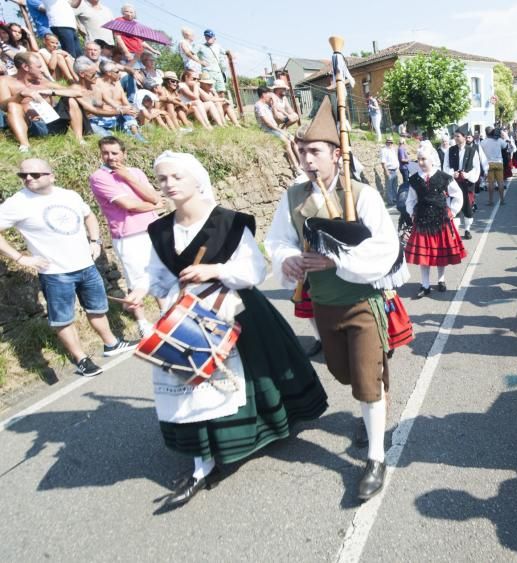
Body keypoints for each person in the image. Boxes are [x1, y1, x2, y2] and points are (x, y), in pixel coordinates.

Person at [121, 151, 328, 509]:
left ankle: (251, 433)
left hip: (234, 309)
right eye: (163, 179)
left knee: (244, 379)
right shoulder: (159, 229)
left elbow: (253, 270)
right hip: (185, 313)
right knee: (190, 380)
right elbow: (155, 274)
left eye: (176, 177)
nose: (168, 185)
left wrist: (214, 270)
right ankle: (202, 459)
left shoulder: (230, 222)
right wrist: (141, 289)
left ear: (196, 180)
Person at [265, 97, 401, 501]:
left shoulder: (362, 195)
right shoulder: (293, 197)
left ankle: (375, 457)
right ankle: (371, 399)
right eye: (303, 151)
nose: (307, 159)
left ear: (336, 154)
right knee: (343, 374)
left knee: (365, 379)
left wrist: (335, 261)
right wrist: (289, 259)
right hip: (324, 307)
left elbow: (386, 249)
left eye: (315, 151)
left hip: (362, 303)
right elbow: (278, 240)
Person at [0, 158, 138, 377]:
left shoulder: (68, 195)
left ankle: (111, 343)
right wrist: (19, 258)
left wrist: (95, 241)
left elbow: (89, 215)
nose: (28, 178)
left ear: (50, 176)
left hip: (85, 264)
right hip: (55, 272)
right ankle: (81, 358)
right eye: (23, 175)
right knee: (63, 318)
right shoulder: (17, 203)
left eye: (35, 175)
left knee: (97, 307)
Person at [88, 136, 163, 337]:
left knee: (160, 274)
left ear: (124, 153)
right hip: (128, 235)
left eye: (115, 153)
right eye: (106, 153)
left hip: (153, 229)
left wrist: (129, 178)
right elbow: (128, 205)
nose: (110, 157)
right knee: (135, 281)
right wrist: (154, 205)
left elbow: (154, 196)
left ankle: (166, 315)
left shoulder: (136, 172)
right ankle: (143, 323)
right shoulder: (99, 177)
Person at [404, 142, 467, 298]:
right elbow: (410, 200)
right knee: (424, 257)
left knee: (440, 254)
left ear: (431, 159)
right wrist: (412, 213)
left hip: (441, 220)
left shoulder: (444, 177)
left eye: (423, 159)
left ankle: (441, 280)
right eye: (418, 159)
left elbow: (457, 195)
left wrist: (451, 211)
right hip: (422, 221)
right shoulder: (414, 180)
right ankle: (425, 285)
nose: (420, 162)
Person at [0, 52, 84, 151]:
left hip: (52, 123)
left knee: (70, 99)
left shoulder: (43, 82)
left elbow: (77, 92)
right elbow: (3, 106)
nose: (43, 70)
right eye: (39, 67)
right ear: (26, 67)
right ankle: (25, 146)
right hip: (30, 125)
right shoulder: (5, 81)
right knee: (12, 105)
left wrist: (50, 92)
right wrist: (21, 95)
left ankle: (79, 140)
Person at [443, 127, 481, 240]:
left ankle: (467, 229)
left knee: (468, 206)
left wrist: (468, 175)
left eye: (457, 136)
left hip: (467, 183)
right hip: (454, 183)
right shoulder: (450, 150)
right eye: (454, 136)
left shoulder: (472, 150)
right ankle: (454, 231)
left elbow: (476, 167)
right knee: (454, 206)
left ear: (464, 137)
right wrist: (451, 173)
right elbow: (445, 166)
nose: (455, 138)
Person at [254, 85, 299, 172]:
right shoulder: (259, 106)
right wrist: (279, 130)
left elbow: (277, 108)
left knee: (293, 139)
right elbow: (266, 122)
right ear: (264, 95)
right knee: (287, 141)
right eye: (269, 95)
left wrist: (275, 104)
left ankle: (301, 163)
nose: (271, 97)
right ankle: (295, 167)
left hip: (274, 128)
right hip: (267, 130)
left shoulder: (267, 105)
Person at [480, 126, 508, 205]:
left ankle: (490, 201)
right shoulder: (499, 140)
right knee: (500, 182)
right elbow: (506, 146)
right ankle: (502, 200)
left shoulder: (483, 142)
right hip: (499, 163)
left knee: (491, 183)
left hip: (488, 164)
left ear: (486, 133)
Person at [196, 30, 228, 96]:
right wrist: (200, 62)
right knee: (210, 91)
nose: (208, 38)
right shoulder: (200, 46)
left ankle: (221, 105)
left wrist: (230, 52)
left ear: (214, 38)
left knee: (221, 91)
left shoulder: (218, 46)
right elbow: (191, 53)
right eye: (207, 36)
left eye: (210, 37)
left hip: (218, 72)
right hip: (207, 72)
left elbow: (226, 52)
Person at [380, 137, 401, 206]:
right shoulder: (384, 150)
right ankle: (390, 202)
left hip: (395, 170)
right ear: (386, 142)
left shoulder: (392, 149)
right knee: (389, 187)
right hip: (389, 170)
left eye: (391, 142)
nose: (390, 143)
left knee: (395, 186)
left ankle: (394, 199)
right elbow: (383, 162)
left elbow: (395, 159)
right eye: (388, 142)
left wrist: (397, 168)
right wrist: (386, 171)